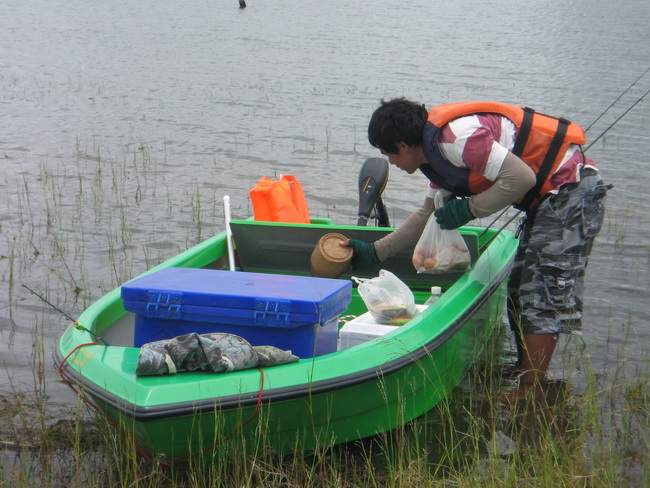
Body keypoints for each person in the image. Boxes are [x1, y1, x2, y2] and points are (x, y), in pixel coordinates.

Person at [343, 98, 612, 400]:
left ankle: (530, 389)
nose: (389, 161)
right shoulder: (434, 159)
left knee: (540, 292)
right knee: (518, 288)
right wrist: (374, 252)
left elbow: (522, 178)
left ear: (403, 145)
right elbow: (424, 215)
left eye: (386, 152)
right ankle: (526, 372)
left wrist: (469, 209)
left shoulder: (457, 140)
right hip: (549, 199)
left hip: (572, 191)